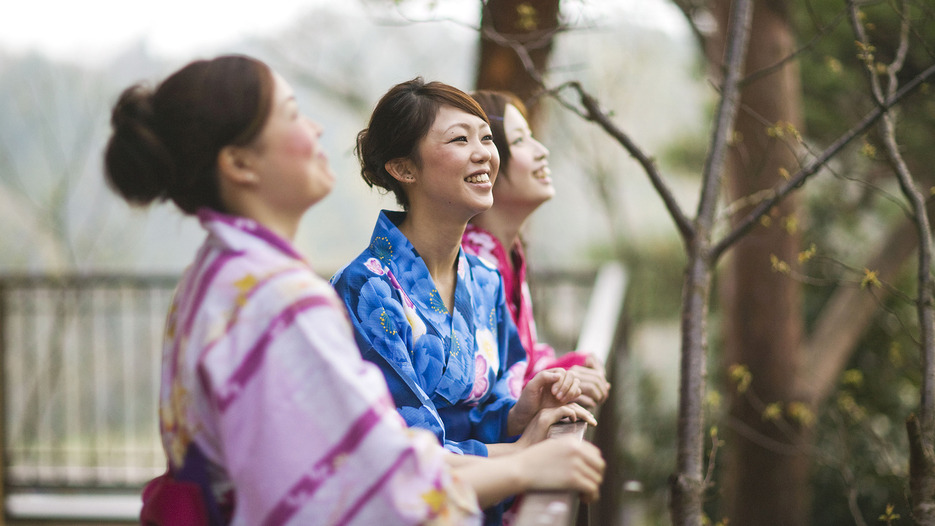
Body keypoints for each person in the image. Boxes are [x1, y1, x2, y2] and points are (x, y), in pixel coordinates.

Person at [104, 56, 603, 526]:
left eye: (485, 138)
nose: (316, 129)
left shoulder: (220, 276)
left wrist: (517, 417)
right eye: (293, 115)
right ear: (239, 163)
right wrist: (523, 465)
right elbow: (379, 474)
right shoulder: (295, 298)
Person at [462, 91, 610, 407]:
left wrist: (569, 367)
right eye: (519, 141)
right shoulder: (472, 266)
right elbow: (484, 395)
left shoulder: (504, 252)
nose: (541, 151)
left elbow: (518, 363)